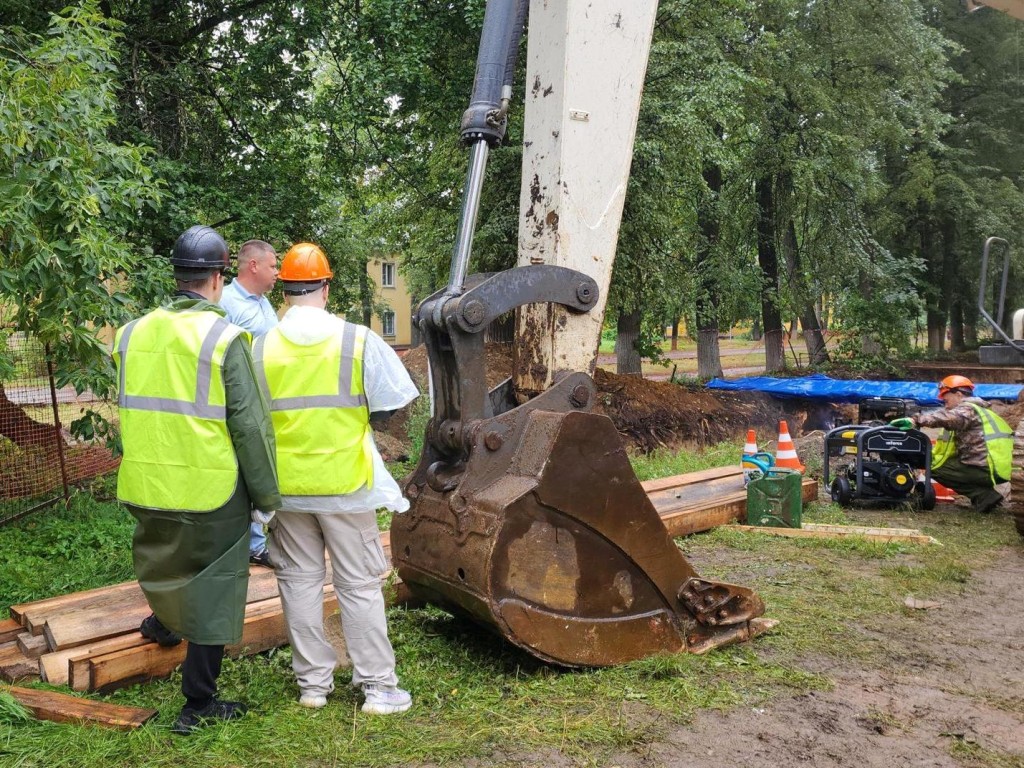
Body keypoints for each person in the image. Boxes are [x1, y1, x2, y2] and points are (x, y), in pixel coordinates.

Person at [113, 225, 281, 735]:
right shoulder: (225, 337)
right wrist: (266, 495)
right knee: (213, 587)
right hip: (210, 487)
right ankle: (198, 704)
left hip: (146, 480)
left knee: (165, 557)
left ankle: (163, 623)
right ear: (217, 278)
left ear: (177, 275)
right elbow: (250, 426)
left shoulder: (132, 332)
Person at [251, 242, 418, 715]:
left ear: (283, 289)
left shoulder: (261, 347)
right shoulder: (355, 340)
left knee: (298, 583)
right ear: (326, 286)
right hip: (345, 484)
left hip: (287, 490)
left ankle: (313, 687)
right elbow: (394, 399)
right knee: (359, 585)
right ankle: (379, 688)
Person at [219, 239, 280, 568]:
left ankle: (256, 543)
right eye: (273, 266)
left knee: (258, 468)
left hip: (266, 403)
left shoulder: (263, 304)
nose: (277, 273)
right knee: (242, 471)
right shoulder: (226, 301)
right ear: (253, 266)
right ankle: (246, 545)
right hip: (240, 406)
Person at [891, 374, 1012, 513]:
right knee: (941, 463)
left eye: (945, 396)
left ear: (959, 394)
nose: (942, 400)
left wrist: (915, 420)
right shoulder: (980, 410)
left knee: (934, 468)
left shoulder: (968, 409)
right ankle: (985, 497)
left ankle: (985, 496)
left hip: (984, 468)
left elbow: (948, 417)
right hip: (994, 467)